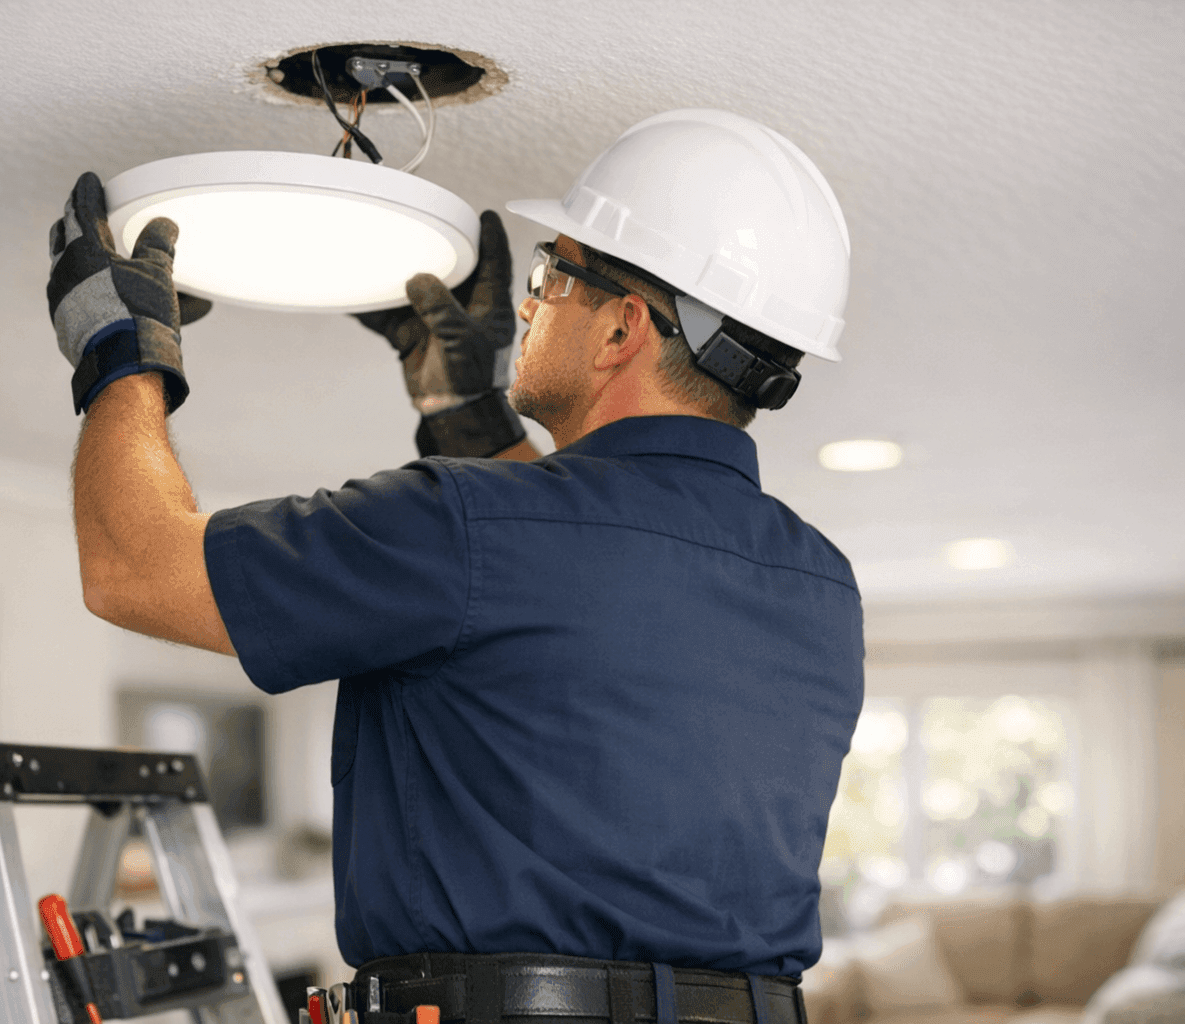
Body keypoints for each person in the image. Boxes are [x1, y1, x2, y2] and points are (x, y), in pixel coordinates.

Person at [48, 109, 864, 1024]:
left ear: (622, 329)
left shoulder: (467, 523)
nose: (528, 300)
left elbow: (132, 566)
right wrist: (467, 410)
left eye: (554, 274)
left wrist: (120, 352)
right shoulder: (821, 585)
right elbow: (571, 575)